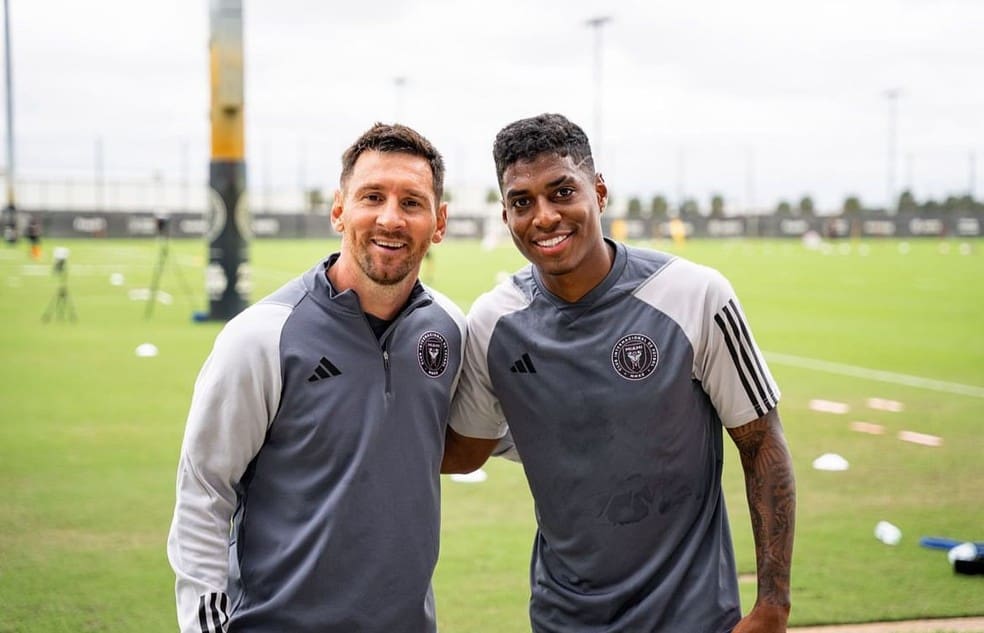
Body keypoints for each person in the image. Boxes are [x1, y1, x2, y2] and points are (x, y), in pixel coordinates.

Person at [443, 113, 795, 633]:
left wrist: (773, 604)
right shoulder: (495, 322)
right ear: (506, 214)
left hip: (692, 618)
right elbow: (464, 450)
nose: (543, 216)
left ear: (599, 192)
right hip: (564, 619)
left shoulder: (694, 295)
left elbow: (762, 442)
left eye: (562, 191)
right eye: (522, 202)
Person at [167, 122, 465, 633]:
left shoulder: (450, 327)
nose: (390, 218)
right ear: (338, 210)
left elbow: (500, 427)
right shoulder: (262, 336)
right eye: (372, 197)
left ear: (438, 222)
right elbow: (204, 494)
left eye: (412, 203)